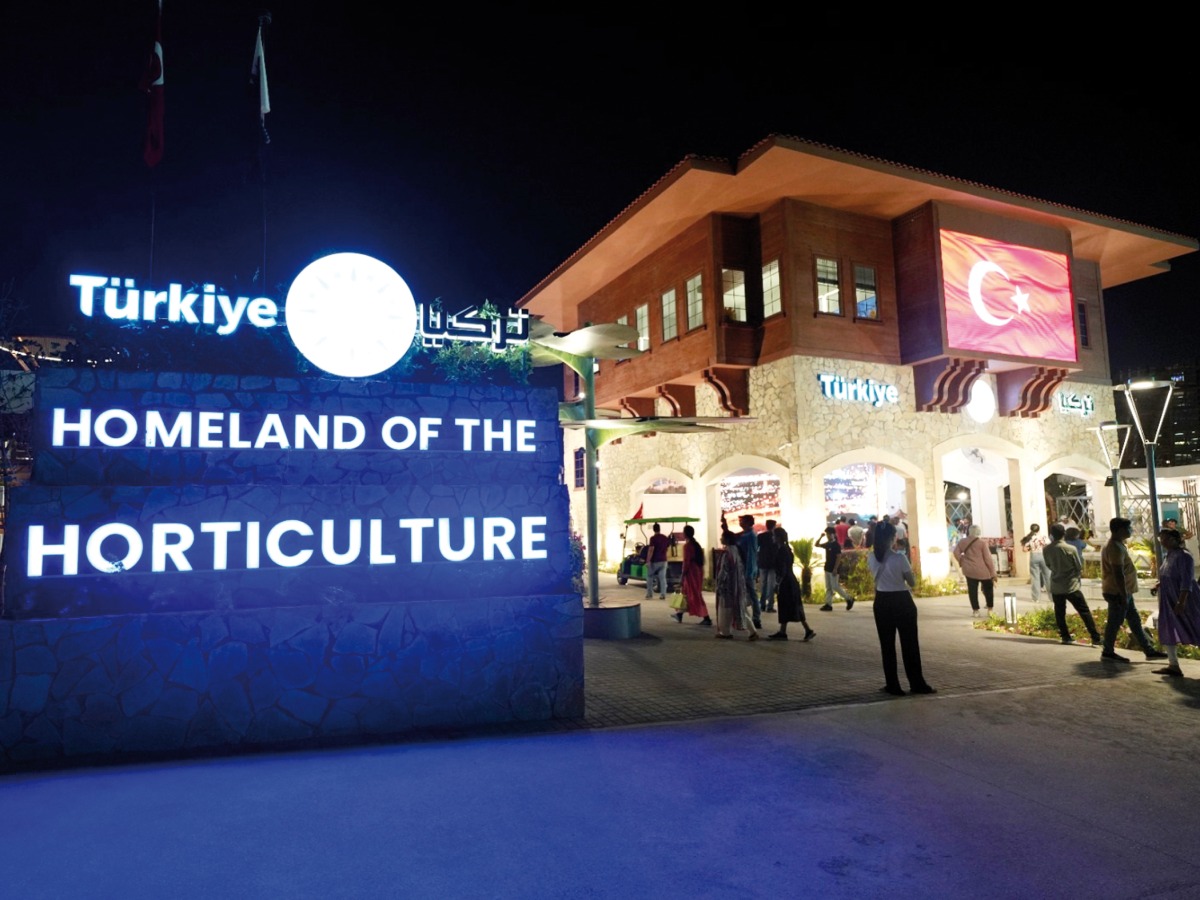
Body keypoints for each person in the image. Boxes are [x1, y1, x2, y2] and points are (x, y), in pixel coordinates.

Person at [867, 520, 934, 696]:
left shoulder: (871, 557)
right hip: (902, 601)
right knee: (910, 644)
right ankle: (917, 683)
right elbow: (911, 582)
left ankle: (893, 685)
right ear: (892, 538)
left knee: (887, 646)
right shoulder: (899, 557)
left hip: (881, 602)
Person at [1099, 517, 1166, 663]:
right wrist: (1123, 595)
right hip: (1117, 592)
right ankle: (1108, 651)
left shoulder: (1118, 545)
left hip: (1124, 592)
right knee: (1114, 622)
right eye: (1128, 528)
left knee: (1134, 621)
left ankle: (1149, 650)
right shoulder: (1114, 547)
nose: (1130, 530)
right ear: (1118, 530)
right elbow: (1118, 573)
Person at [1043, 523, 1103, 646]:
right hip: (1071, 585)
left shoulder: (1047, 549)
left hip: (1056, 585)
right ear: (1063, 534)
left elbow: (1048, 565)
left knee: (1059, 612)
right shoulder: (1070, 549)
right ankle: (1095, 637)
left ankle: (1065, 636)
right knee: (1084, 611)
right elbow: (1079, 566)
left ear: (1051, 535)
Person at [1151, 527, 1200, 677]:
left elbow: (1187, 581)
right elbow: (1168, 574)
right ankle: (1173, 665)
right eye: (1161, 539)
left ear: (1175, 539)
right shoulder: (1169, 555)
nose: (1162, 542)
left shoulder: (1185, 556)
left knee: (1195, 628)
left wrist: (1181, 602)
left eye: (1165, 538)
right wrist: (1159, 584)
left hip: (1184, 600)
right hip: (1169, 601)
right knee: (1168, 628)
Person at [766, 527, 816, 641]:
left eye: (774, 536)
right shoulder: (787, 549)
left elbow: (782, 568)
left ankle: (805, 630)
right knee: (792, 605)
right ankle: (787, 631)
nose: (772, 538)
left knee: (787, 604)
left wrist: (777, 583)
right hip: (790, 580)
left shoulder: (782, 550)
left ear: (778, 537)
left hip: (786, 582)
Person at [714, 528, 757, 640]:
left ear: (727, 539)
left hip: (728, 587)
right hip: (738, 585)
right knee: (740, 609)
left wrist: (719, 585)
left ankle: (726, 632)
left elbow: (724, 571)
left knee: (726, 610)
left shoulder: (727, 553)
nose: (720, 538)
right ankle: (752, 631)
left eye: (722, 537)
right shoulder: (736, 551)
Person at [953, 525, 997, 618]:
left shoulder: (962, 541)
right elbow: (988, 559)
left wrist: (962, 560)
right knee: (988, 589)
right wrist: (993, 573)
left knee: (972, 591)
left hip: (969, 570)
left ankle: (975, 611)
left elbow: (956, 552)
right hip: (983, 571)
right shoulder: (982, 543)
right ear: (978, 532)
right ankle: (990, 610)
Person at [674, 524, 712, 626]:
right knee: (687, 594)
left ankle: (706, 617)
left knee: (694, 595)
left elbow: (686, 562)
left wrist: (682, 575)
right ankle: (679, 614)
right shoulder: (696, 545)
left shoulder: (687, 546)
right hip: (697, 572)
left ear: (685, 534)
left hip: (691, 573)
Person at [816, 525, 854, 611]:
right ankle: (828, 604)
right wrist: (820, 537)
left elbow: (839, 557)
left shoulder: (836, 545)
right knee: (829, 587)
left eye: (829, 534)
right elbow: (816, 545)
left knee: (835, 586)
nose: (828, 536)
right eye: (827, 534)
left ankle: (849, 598)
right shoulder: (827, 544)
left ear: (833, 534)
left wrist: (835, 569)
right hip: (827, 567)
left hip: (834, 569)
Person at [736, 515, 762, 629]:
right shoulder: (745, 534)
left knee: (752, 593)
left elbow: (751, 554)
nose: (740, 523)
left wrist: (749, 571)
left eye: (742, 521)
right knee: (749, 593)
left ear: (747, 522)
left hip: (747, 570)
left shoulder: (750, 535)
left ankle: (756, 618)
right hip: (743, 569)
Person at [1021, 523, 1051, 602]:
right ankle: (1052, 597)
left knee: (1035, 577)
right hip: (1044, 556)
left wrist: (1032, 548)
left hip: (1034, 556)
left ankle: (1036, 598)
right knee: (1048, 577)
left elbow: (1024, 549)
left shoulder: (1029, 538)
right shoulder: (1044, 537)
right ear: (1039, 529)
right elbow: (1049, 546)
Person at [644, 522, 670, 601]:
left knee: (649, 576)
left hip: (655, 561)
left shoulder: (653, 538)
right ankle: (663, 594)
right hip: (664, 560)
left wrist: (648, 560)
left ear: (653, 529)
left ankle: (649, 594)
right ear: (659, 529)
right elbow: (667, 548)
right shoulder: (665, 538)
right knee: (662, 578)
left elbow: (651, 550)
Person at [757, 519, 779, 613]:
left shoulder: (760, 536)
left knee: (764, 584)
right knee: (771, 585)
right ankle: (770, 606)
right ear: (774, 526)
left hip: (762, 563)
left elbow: (757, 548)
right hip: (773, 564)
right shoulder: (775, 537)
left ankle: (762, 605)